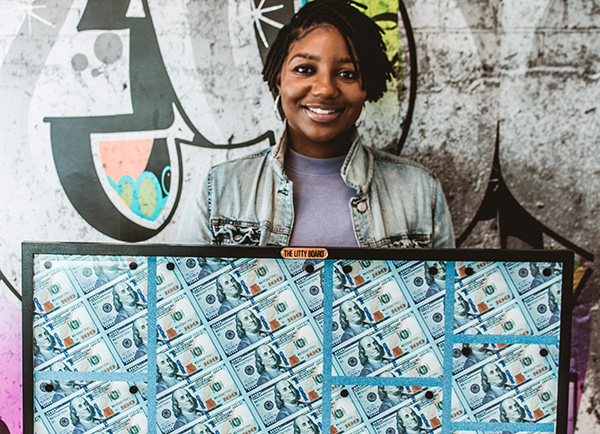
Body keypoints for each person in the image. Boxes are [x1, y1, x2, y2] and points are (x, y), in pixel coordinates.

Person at [176, 0, 454, 249]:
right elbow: (187, 289)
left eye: (347, 73)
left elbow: (444, 291)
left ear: (366, 87)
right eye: (304, 69)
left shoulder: (419, 191)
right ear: (279, 79)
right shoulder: (220, 190)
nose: (325, 89)